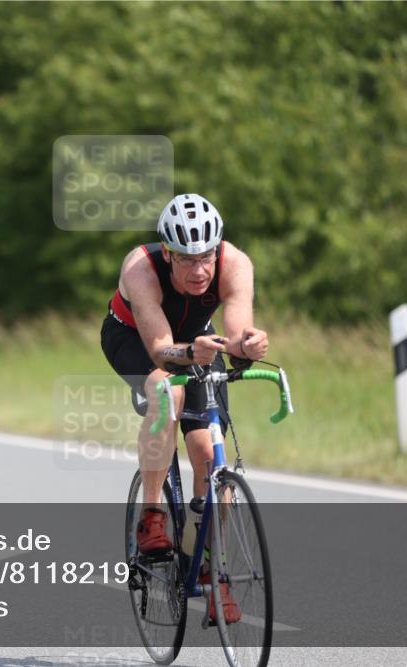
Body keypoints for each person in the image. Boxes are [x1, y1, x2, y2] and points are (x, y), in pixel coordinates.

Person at [101, 194, 269, 624]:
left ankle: (213, 566)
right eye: (187, 260)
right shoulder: (140, 268)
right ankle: (152, 515)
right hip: (134, 338)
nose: (199, 270)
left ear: (218, 249)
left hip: (198, 341)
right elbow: (160, 350)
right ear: (169, 254)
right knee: (165, 392)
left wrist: (246, 346)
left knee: (210, 457)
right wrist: (189, 351)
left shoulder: (236, 265)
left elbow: (235, 334)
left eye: (206, 257)